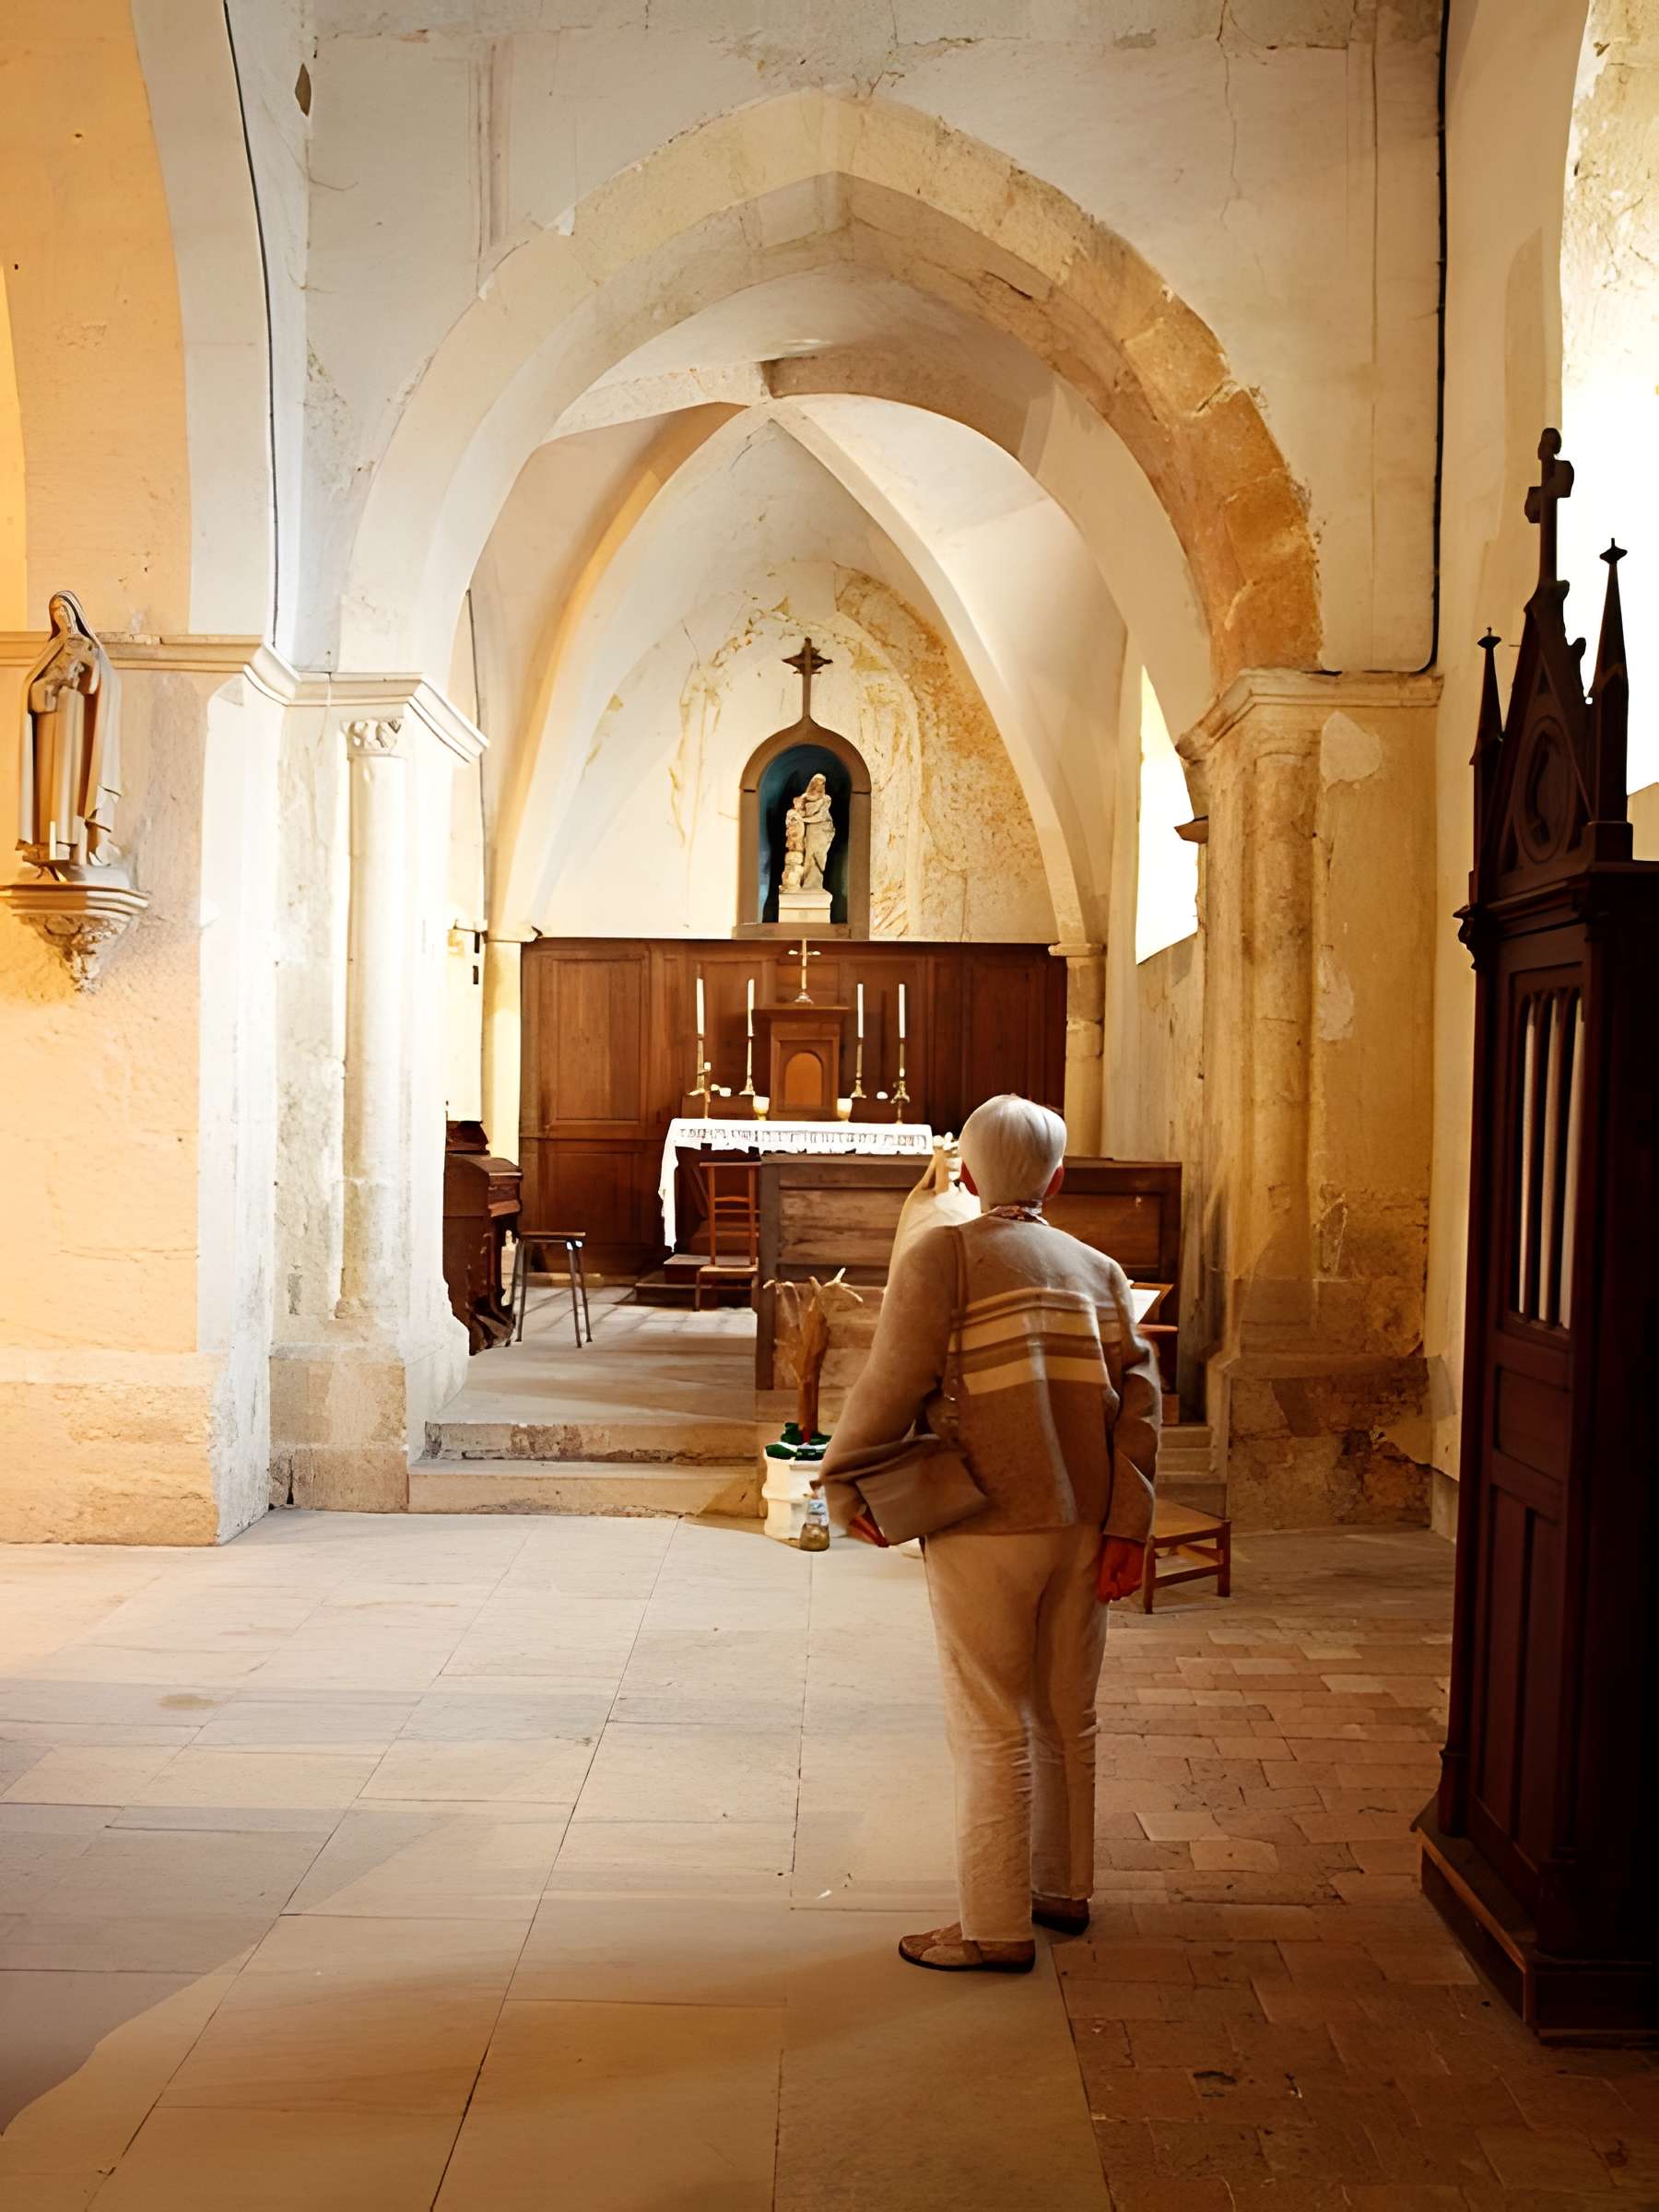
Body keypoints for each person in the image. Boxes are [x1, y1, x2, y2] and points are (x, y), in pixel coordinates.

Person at [818, 1093, 1159, 1974]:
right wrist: (1131, 1524)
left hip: (983, 1522)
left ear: (964, 1173)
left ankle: (994, 1926)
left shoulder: (948, 1254)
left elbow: (891, 1384)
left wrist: (841, 1477)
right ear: (1058, 1176)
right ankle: (1062, 1892)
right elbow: (1140, 1414)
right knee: (1064, 1715)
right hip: (1082, 1522)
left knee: (989, 1723)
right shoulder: (1100, 1269)